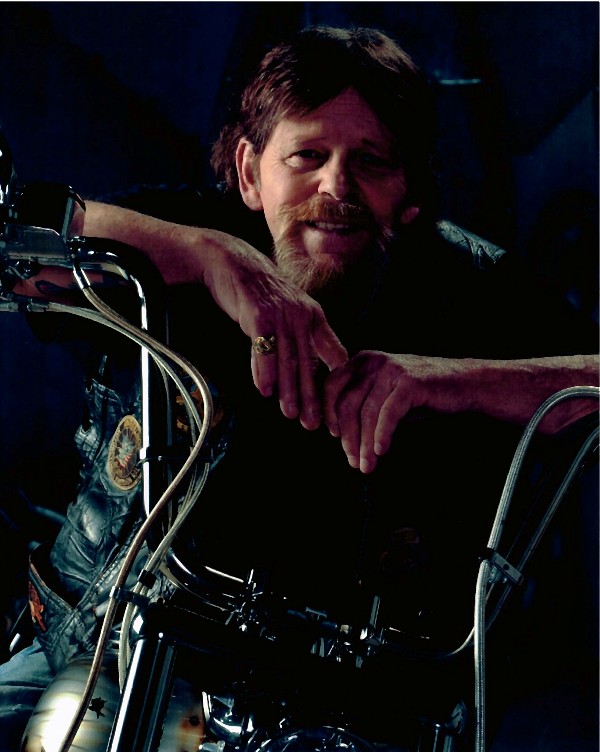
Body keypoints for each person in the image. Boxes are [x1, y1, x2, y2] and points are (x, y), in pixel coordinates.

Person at [0, 24, 598, 752]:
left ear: (409, 192)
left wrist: (451, 382)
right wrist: (206, 256)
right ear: (250, 173)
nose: (336, 188)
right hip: (94, 655)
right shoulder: (186, 231)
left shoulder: (473, 288)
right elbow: (14, 247)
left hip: (338, 711)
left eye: (370, 162)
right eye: (307, 156)